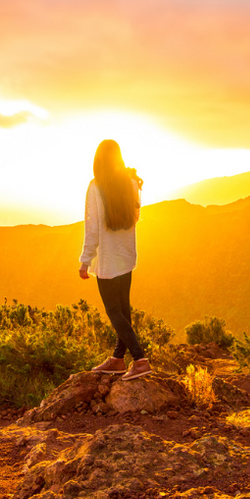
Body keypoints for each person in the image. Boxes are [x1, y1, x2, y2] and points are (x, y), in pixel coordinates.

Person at [79, 139, 151, 380]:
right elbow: (136, 217)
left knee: (113, 310)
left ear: (98, 160)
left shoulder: (95, 187)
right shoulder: (130, 183)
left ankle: (140, 360)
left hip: (108, 260)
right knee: (123, 309)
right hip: (126, 256)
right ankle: (118, 359)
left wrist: (85, 259)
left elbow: (92, 228)